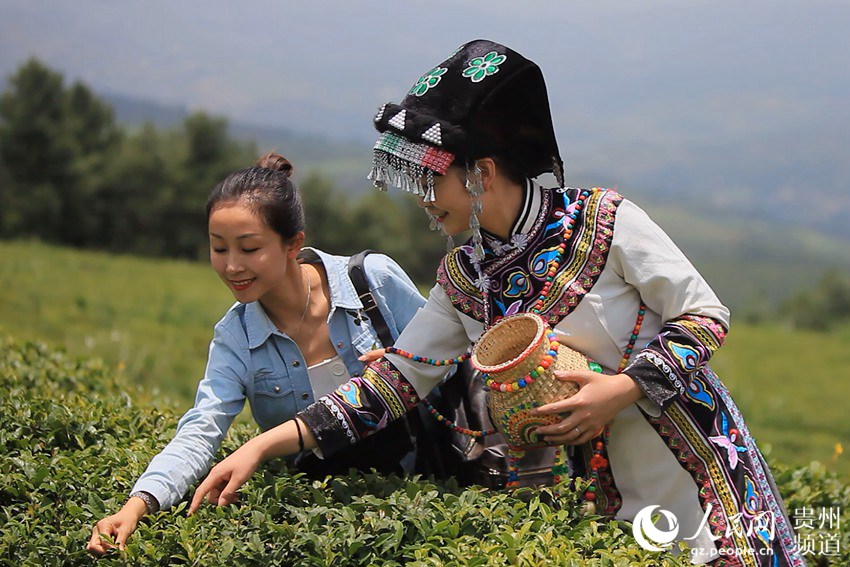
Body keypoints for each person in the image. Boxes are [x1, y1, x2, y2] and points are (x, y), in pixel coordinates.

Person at [190, 41, 804, 565]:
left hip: (696, 466)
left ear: (482, 171)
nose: (424, 199)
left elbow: (705, 316)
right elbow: (393, 382)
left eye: (433, 179)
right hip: (597, 493)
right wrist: (262, 444)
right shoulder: (465, 277)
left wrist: (622, 389)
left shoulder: (605, 220)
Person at [86, 152, 427, 555]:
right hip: (328, 523)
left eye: (248, 249)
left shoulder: (372, 280)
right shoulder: (236, 337)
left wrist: (403, 364)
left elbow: (451, 355)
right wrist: (138, 504)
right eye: (219, 248)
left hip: (427, 487)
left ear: (292, 244)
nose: (232, 267)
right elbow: (202, 429)